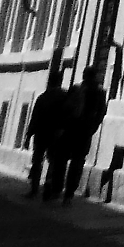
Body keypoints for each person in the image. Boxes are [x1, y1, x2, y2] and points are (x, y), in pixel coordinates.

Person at [44, 65, 107, 204]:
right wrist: (92, 128)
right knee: (77, 162)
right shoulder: (100, 93)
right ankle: (69, 194)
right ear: (95, 76)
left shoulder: (75, 89)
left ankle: (56, 189)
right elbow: (101, 113)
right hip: (84, 132)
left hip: (69, 129)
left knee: (61, 160)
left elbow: (64, 109)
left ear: (84, 76)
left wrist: (60, 127)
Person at [25, 69, 66, 198]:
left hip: (41, 133)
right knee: (53, 161)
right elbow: (67, 116)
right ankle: (48, 184)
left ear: (49, 81)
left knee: (37, 161)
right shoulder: (65, 97)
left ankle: (34, 188)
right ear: (60, 81)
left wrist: (28, 135)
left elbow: (35, 117)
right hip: (56, 134)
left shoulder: (42, 97)